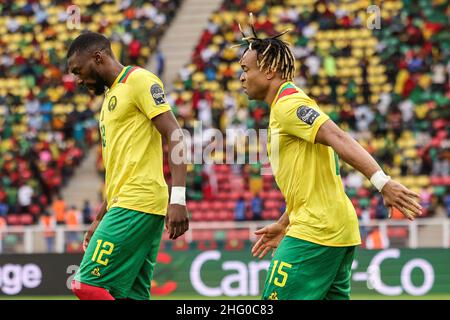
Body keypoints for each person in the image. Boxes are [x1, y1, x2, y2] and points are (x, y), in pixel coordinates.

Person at [237, 19, 422, 300]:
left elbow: (338, 137)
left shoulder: (289, 105)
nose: (241, 77)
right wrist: (285, 222)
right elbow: (310, 181)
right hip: (332, 228)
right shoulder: (286, 106)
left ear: (269, 70)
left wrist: (382, 182)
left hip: (315, 233)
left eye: (246, 70)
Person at [67, 32, 189, 300]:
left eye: (78, 70)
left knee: (86, 285)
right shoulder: (112, 97)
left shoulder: (139, 81)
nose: (77, 80)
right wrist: (100, 217)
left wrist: (178, 197)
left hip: (138, 201)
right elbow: (121, 169)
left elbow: (176, 134)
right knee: (131, 296)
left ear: (97, 57)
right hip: (127, 201)